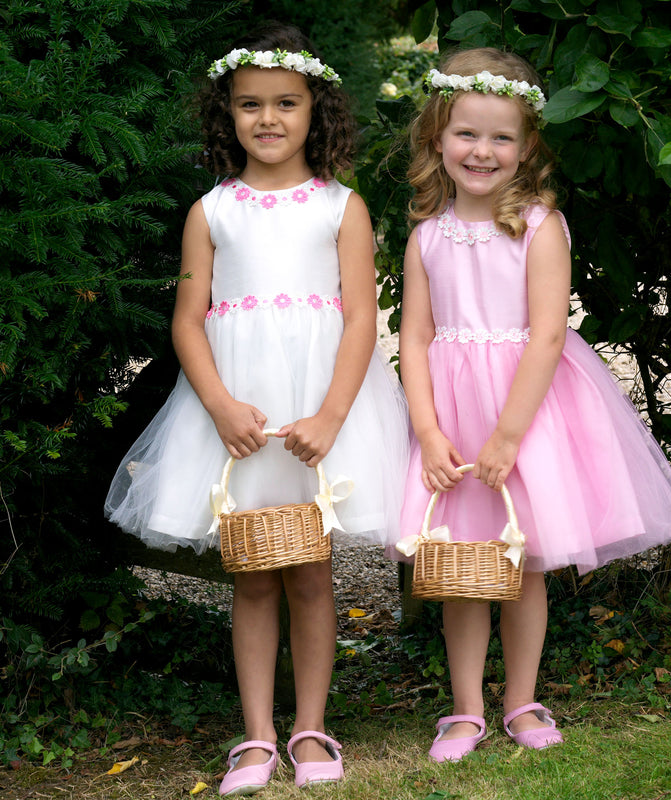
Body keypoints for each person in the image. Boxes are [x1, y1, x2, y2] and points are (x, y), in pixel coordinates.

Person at [105, 21, 408, 795]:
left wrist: (333, 416)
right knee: (250, 574)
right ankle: (257, 736)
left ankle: (310, 727)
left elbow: (361, 319)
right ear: (227, 115)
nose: (268, 119)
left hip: (316, 410)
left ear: (317, 112)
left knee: (311, 571)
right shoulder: (212, 211)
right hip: (236, 416)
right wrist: (218, 406)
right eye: (249, 105)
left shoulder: (343, 206)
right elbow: (187, 318)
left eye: (286, 103)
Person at [391, 48, 671, 763]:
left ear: (528, 146)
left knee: (524, 565)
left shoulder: (538, 224)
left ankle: (520, 699)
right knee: (461, 568)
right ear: (438, 135)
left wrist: (507, 437)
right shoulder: (425, 236)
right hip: (453, 420)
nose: (483, 151)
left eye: (502, 137)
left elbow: (549, 333)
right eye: (467, 133)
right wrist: (430, 432)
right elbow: (415, 334)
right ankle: (464, 710)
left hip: (524, 417)